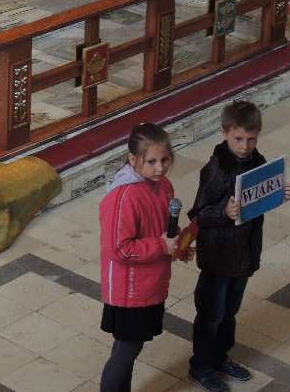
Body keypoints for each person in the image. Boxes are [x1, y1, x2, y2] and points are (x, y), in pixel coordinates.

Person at [188, 100, 290, 392]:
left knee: (229, 312)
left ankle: (220, 357)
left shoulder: (259, 163)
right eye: (238, 139)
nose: (245, 146)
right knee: (211, 315)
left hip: (244, 254)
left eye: (251, 139)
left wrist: (279, 193)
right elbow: (198, 215)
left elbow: (258, 202)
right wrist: (224, 211)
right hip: (218, 257)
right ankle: (201, 366)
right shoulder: (216, 169)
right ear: (224, 132)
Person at [99, 123, 181, 392]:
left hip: (150, 282)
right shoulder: (123, 197)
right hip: (130, 290)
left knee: (128, 348)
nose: (160, 168)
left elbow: (162, 228)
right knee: (127, 349)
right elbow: (119, 248)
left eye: (165, 160)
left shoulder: (163, 186)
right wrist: (161, 246)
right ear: (133, 159)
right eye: (151, 161)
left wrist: (177, 242)